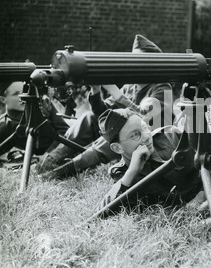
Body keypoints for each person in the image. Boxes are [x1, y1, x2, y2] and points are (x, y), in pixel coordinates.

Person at [37, 35, 177, 179]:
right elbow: (103, 115)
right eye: (134, 61)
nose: (135, 66)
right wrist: (96, 90)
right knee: (89, 118)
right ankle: (53, 159)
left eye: (141, 62)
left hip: (152, 141)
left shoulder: (162, 87)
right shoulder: (131, 86)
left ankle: (62, 171)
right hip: (129, 140)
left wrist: (118, 96)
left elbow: (146, 120)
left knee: (118, 130)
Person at [96, 108, 211, 213]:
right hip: (188, 211)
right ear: (117, 148)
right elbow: (104, 212)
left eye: (145, 128)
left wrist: (200, 197)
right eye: (135, 135)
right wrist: (132, 172)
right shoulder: (123, 173)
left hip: (208, 190)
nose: (146, 137)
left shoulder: (170, 136)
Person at [0, 81, 69, 161]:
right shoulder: (5, 125)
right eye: (16, 94)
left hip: (55, 150)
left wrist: (49, 153)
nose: (22, 96)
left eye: (24, 91)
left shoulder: (42, 105)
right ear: (3, 99)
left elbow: (65, 131)